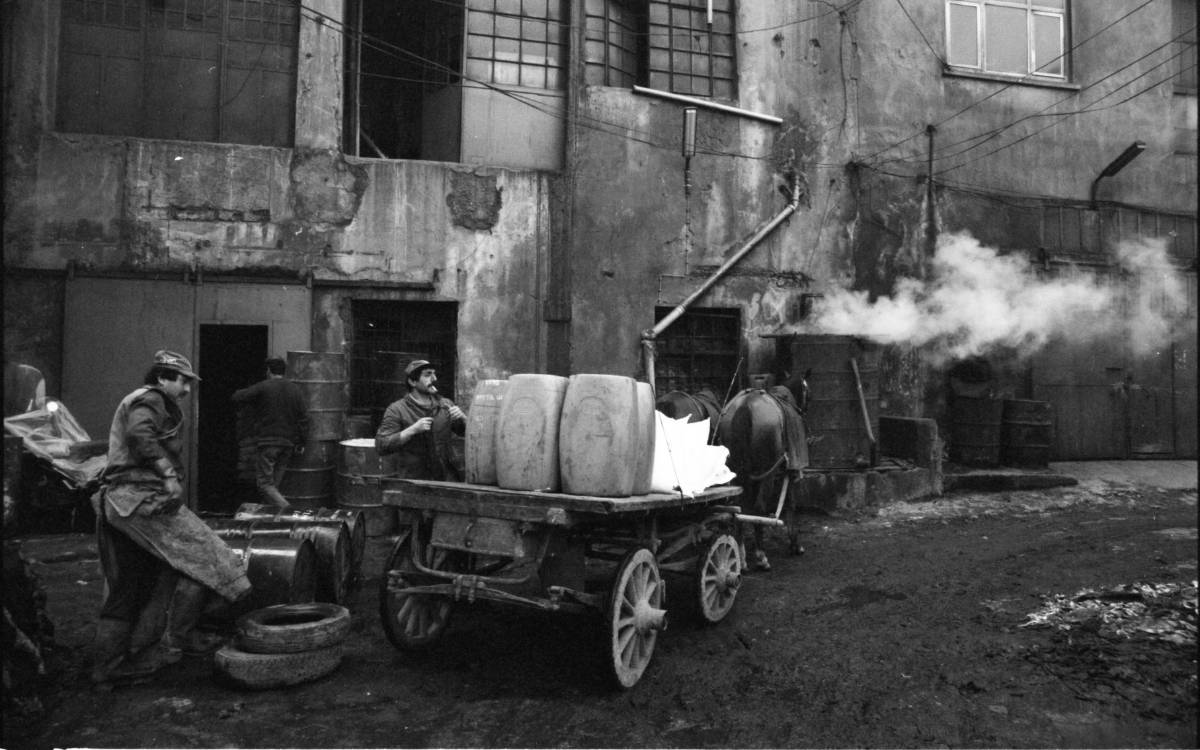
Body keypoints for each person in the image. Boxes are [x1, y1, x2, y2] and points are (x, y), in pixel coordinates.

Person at [90, 350, 251, 687]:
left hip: (123, 503)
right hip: (140, 500)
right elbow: (139, 435)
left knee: (137, 582)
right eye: (184, 381)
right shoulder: (152, 399)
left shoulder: (146, 400)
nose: (188, 389)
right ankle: (173, 641)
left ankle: (120, 660)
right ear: (164, 377)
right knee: (213, 561)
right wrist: (167, 475)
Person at [231, 356, 309, 509]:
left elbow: (238, 397)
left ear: (268, 371)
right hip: (287, 445)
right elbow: (304, 420)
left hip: (269, 444)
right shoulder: (295, 390)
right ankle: (268, 520)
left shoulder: (264, 386)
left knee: (264, 484)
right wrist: (302, 442)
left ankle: (287, 510)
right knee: (273, 486)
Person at [375, 359, 466, 480]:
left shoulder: (445, 404)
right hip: (415, 481)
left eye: (434, 374)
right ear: (412, 381)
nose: (434, 379)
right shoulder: (397, 410)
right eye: (428, 374)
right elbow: (382, 445)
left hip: (446, 479)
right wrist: (412, 430)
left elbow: (465, 432)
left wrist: (463, 417)